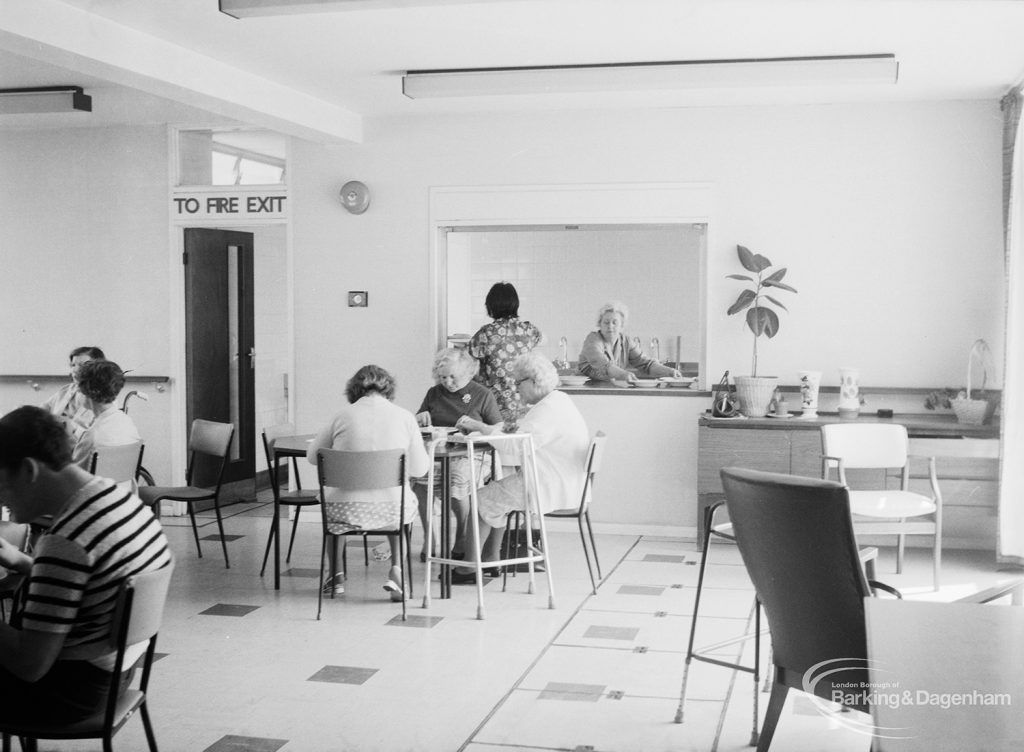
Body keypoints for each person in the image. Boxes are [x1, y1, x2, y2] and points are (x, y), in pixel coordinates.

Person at [0, 405, 171, 727]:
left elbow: (29, 665)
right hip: (114, 674)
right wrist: (22, 562)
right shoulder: (121, 500)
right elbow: (87, 581)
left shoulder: (66, 540)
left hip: (67, 693)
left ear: (28, 470)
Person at [452, 351, 589, 582]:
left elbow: (517, 446)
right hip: (560, 479)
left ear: (533, 381)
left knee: (480, 499)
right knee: (494, 496)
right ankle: (489, 559)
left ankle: (469, 566)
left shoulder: (549, 409)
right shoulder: (558, 400)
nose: (515, 388)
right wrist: (487, 428)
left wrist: (481, 427)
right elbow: (523, 435)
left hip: (546, 483)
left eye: (518, 383)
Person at [306, 365, 429, 600]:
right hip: (392, 509)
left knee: (335, 509)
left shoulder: (341, 416)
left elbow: (313, 457)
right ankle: (397, 571)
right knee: (399, 509)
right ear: (389, 389)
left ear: (353, 389)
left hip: (344, 509)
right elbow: (420, 469)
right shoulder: (405, 417)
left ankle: (335, 577)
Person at [413, 348, 502, 561]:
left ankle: (461, 535)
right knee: (418, 478)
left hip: (473, 454)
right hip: (438, 452)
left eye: (454, 377)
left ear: (469, 373)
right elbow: (420, 422)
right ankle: (430, 537)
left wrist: (476, 426)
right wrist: (421, 417)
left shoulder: (482, 394)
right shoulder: (433, 393)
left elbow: (497, 428)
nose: (448, 382)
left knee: (457, 477)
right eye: (443, 377)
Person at [468, 282, 543, 428]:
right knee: (518, 442)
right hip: (523, 403)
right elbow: (543, 339)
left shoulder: (486, 333)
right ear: (515, 304)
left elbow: (468, 361)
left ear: (490, 305)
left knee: (495, 442)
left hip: (494, 405)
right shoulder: (529, 330)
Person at [70, 360, 142, 483]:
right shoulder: (126, 422)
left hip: (95, 499)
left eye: (78, 387)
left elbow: (73, 480)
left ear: (89, 391)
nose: (76, 391)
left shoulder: (92, 436)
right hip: (123, 496)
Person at [577, 301, 680, 383]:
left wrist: (670, 372)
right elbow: (602, 364)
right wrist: (623, 374)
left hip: (611, 387)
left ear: (622, 326)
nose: (610, 326)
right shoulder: (592, 339)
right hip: (585, 389)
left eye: (615, 322)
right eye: (606, 322)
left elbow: (645, 364)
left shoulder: (626, 341)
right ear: (600, 324)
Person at [40, 346, 106, 441]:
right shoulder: (67, 390)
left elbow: (99, 436)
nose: (75, 370)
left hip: (80, 448)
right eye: (73, 365)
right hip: (54, 444)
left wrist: (70, 427)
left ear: (97, 368)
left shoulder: (105, 396)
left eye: (82, 365)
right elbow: (42, 410)